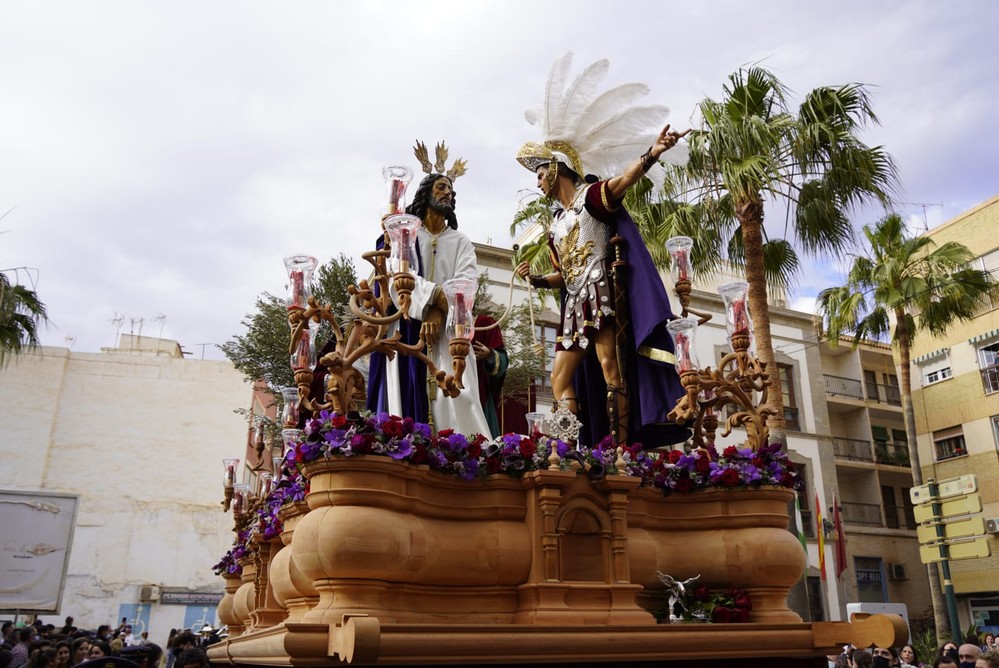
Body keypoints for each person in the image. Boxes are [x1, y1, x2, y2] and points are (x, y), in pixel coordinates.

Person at [514, 126, 690, 447]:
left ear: (556, 169)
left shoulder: (591, 198)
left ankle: (617, 447)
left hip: (600, 294)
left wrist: (654, 152)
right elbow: (564, 275)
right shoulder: (556, 225)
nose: (537, 182)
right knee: (559, 380)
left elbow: (624, 180)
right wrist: (536, 279)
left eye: (540, 174)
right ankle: (570, 445)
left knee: (610, 367)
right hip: (574, 304)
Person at [366, 143, 490, 437]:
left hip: (449, 336)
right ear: (425, 193)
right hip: (407, 329)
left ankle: (463, 457)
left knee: (459, 401)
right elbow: (398, 273)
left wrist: (438, 313)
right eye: (441, 187)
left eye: (450, 189)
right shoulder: (405, 233)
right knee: (402, 404)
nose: (447, 192)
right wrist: (432, 301)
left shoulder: (460, 241)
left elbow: (466, 287)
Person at [472, 313, 510, 437]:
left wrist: (490, 354)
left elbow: (503, 360)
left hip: (477, 394)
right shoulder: (438, 325)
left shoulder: (484, 324)